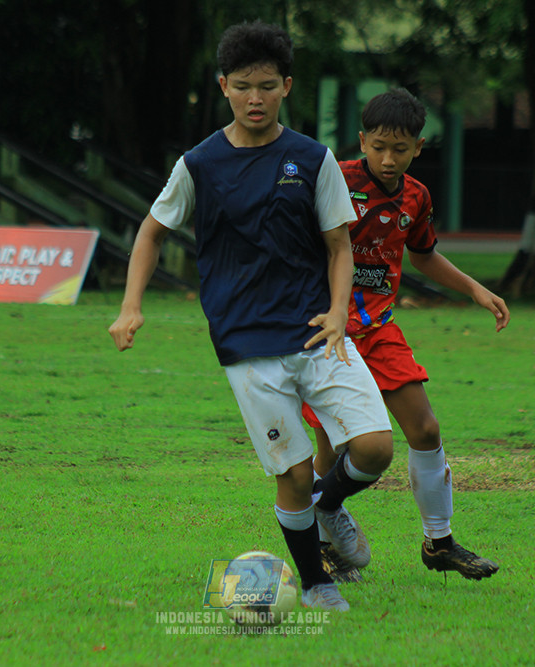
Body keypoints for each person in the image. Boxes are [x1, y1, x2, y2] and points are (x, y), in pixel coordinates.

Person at [107, 20, 394, 612]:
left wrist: (340, 312)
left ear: (287, 85)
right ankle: (316, 583)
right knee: (290, 474)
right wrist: (131, 306)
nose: (255, 98)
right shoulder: (199, 164)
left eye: (267, 85)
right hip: (245, 344)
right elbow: (152, 231)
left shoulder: (312, 159)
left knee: (374, 448)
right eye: (242, 86)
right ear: (223, 87)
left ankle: (329, 504)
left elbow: (340, 246)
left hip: (318, 333)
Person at [303, 88, 509, 581]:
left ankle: (439, 542)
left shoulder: (416, 196)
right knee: (333, 445)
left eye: (400, 148)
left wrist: (476, 290)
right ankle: (322, 541)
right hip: (327, 331)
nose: (388, 158)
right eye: (378, 147)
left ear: (419, 146)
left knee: (426, 429)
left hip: (379, 329)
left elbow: (423, 254)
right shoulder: (334, 180)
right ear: (362, 141)